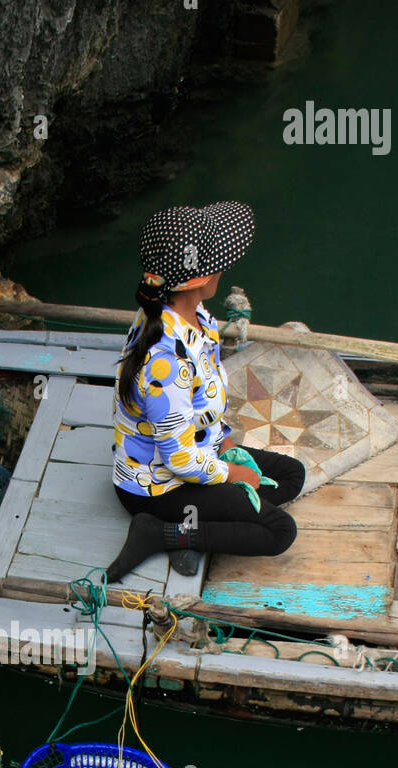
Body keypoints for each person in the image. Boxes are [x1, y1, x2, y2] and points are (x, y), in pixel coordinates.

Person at [106, 201, 305, 583]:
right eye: (217, 262)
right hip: (159, 487)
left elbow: (198, 410)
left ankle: (208, 521)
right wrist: (233, 474)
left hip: (201, 452)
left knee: (291, 475)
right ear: (198, 280)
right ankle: (161, 534)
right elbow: (179, 460)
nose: (224, 268)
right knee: (280, 531)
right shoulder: (167, 363)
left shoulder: (194, 317)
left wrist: (225, 443)